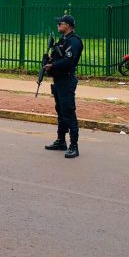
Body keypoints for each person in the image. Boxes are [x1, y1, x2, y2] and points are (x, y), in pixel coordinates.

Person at [43, 15, 84, 159]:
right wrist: (49, 60)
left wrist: (52, 65)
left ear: (68, 25)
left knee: (68, 112)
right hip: (59, 80)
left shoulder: (74, 41)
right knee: (60, 110)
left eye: (60, 23)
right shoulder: (63, 40)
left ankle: (74, 146)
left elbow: (68, 61)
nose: (58, 25)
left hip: (67, 81)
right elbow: (58, 57)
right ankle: (61, 141)